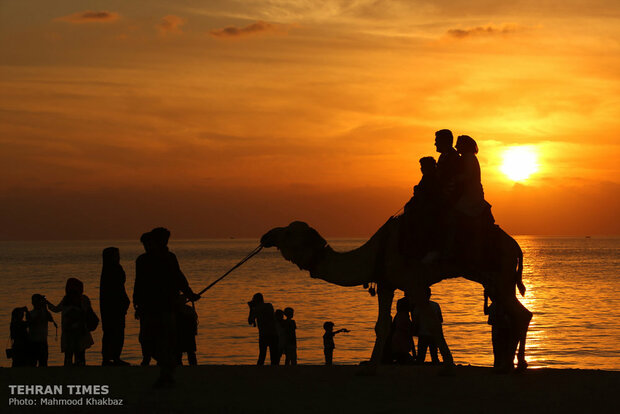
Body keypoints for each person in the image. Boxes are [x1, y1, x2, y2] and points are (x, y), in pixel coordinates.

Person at [133, 227, 201, 388]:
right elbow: (140, 283)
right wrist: (137, 302)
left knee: (164, 340)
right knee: (148, 340)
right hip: (151, 306)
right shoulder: (143, 260)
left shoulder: (168, 258)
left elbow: (179, 278)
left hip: (166, 307)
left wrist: (190, 294)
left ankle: (166, 373)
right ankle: (167, 367)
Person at [47, 278, 95, 366]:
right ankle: (79, 366)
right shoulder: (82, 299)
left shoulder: (68, 299)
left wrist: (47, 304)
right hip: (78, 330)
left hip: (72, 330)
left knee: (70, 353)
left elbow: (56, 309)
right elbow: (86, 312)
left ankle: (70, 368)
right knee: (79, 353)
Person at [100, 247, 130, 366]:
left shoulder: (108, 270)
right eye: (116, 255)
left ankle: (109, 357)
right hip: (114, 307)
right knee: (115, 332)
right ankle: (113, 357)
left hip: (111, 306)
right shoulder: (114, 269)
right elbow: (118, 287)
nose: (118, 257)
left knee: (110, 332)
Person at [247, 293, 279, 366]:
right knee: (274, 356)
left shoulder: (257, 309)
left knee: (262, 355)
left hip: (264, 334)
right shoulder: (269, 306)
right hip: (273, 333)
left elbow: (250, 321)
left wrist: (251, 309)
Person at [413, 288, 442, 365]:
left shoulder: (418, 307)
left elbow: (415, 322)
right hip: (433, 333)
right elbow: (440, 320)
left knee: (421, 356)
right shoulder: (435, 305)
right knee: (434, 355)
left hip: (423, 334)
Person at [27, 294, 57, 367]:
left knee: (43, 363)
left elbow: (51, 319)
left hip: (42, 341)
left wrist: (45, 309)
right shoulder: (30, 313)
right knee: (32, 363)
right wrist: (41, 312)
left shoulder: (45, 312)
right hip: (33, 341)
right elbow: (32, 322)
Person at [434, 129, 461, 205]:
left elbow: (448, 179)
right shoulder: (443, 156)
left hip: (448, 197)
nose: (435, 144)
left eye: (437, 141)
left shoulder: (453, 157)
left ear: (443, 141)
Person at [390, 297, 416, 364]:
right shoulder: (402, 316)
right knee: (403, 356)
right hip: (401, 341)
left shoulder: (401, 315)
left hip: (400, 340)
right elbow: (407, 329)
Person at [176, 300, 198, 366]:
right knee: (182, 352)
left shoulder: (188, 309)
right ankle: (191, 366)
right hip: (185, 332)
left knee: (185, 352)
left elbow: (194, 318)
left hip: (187, 332)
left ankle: (191, 366)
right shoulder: (188, 309)